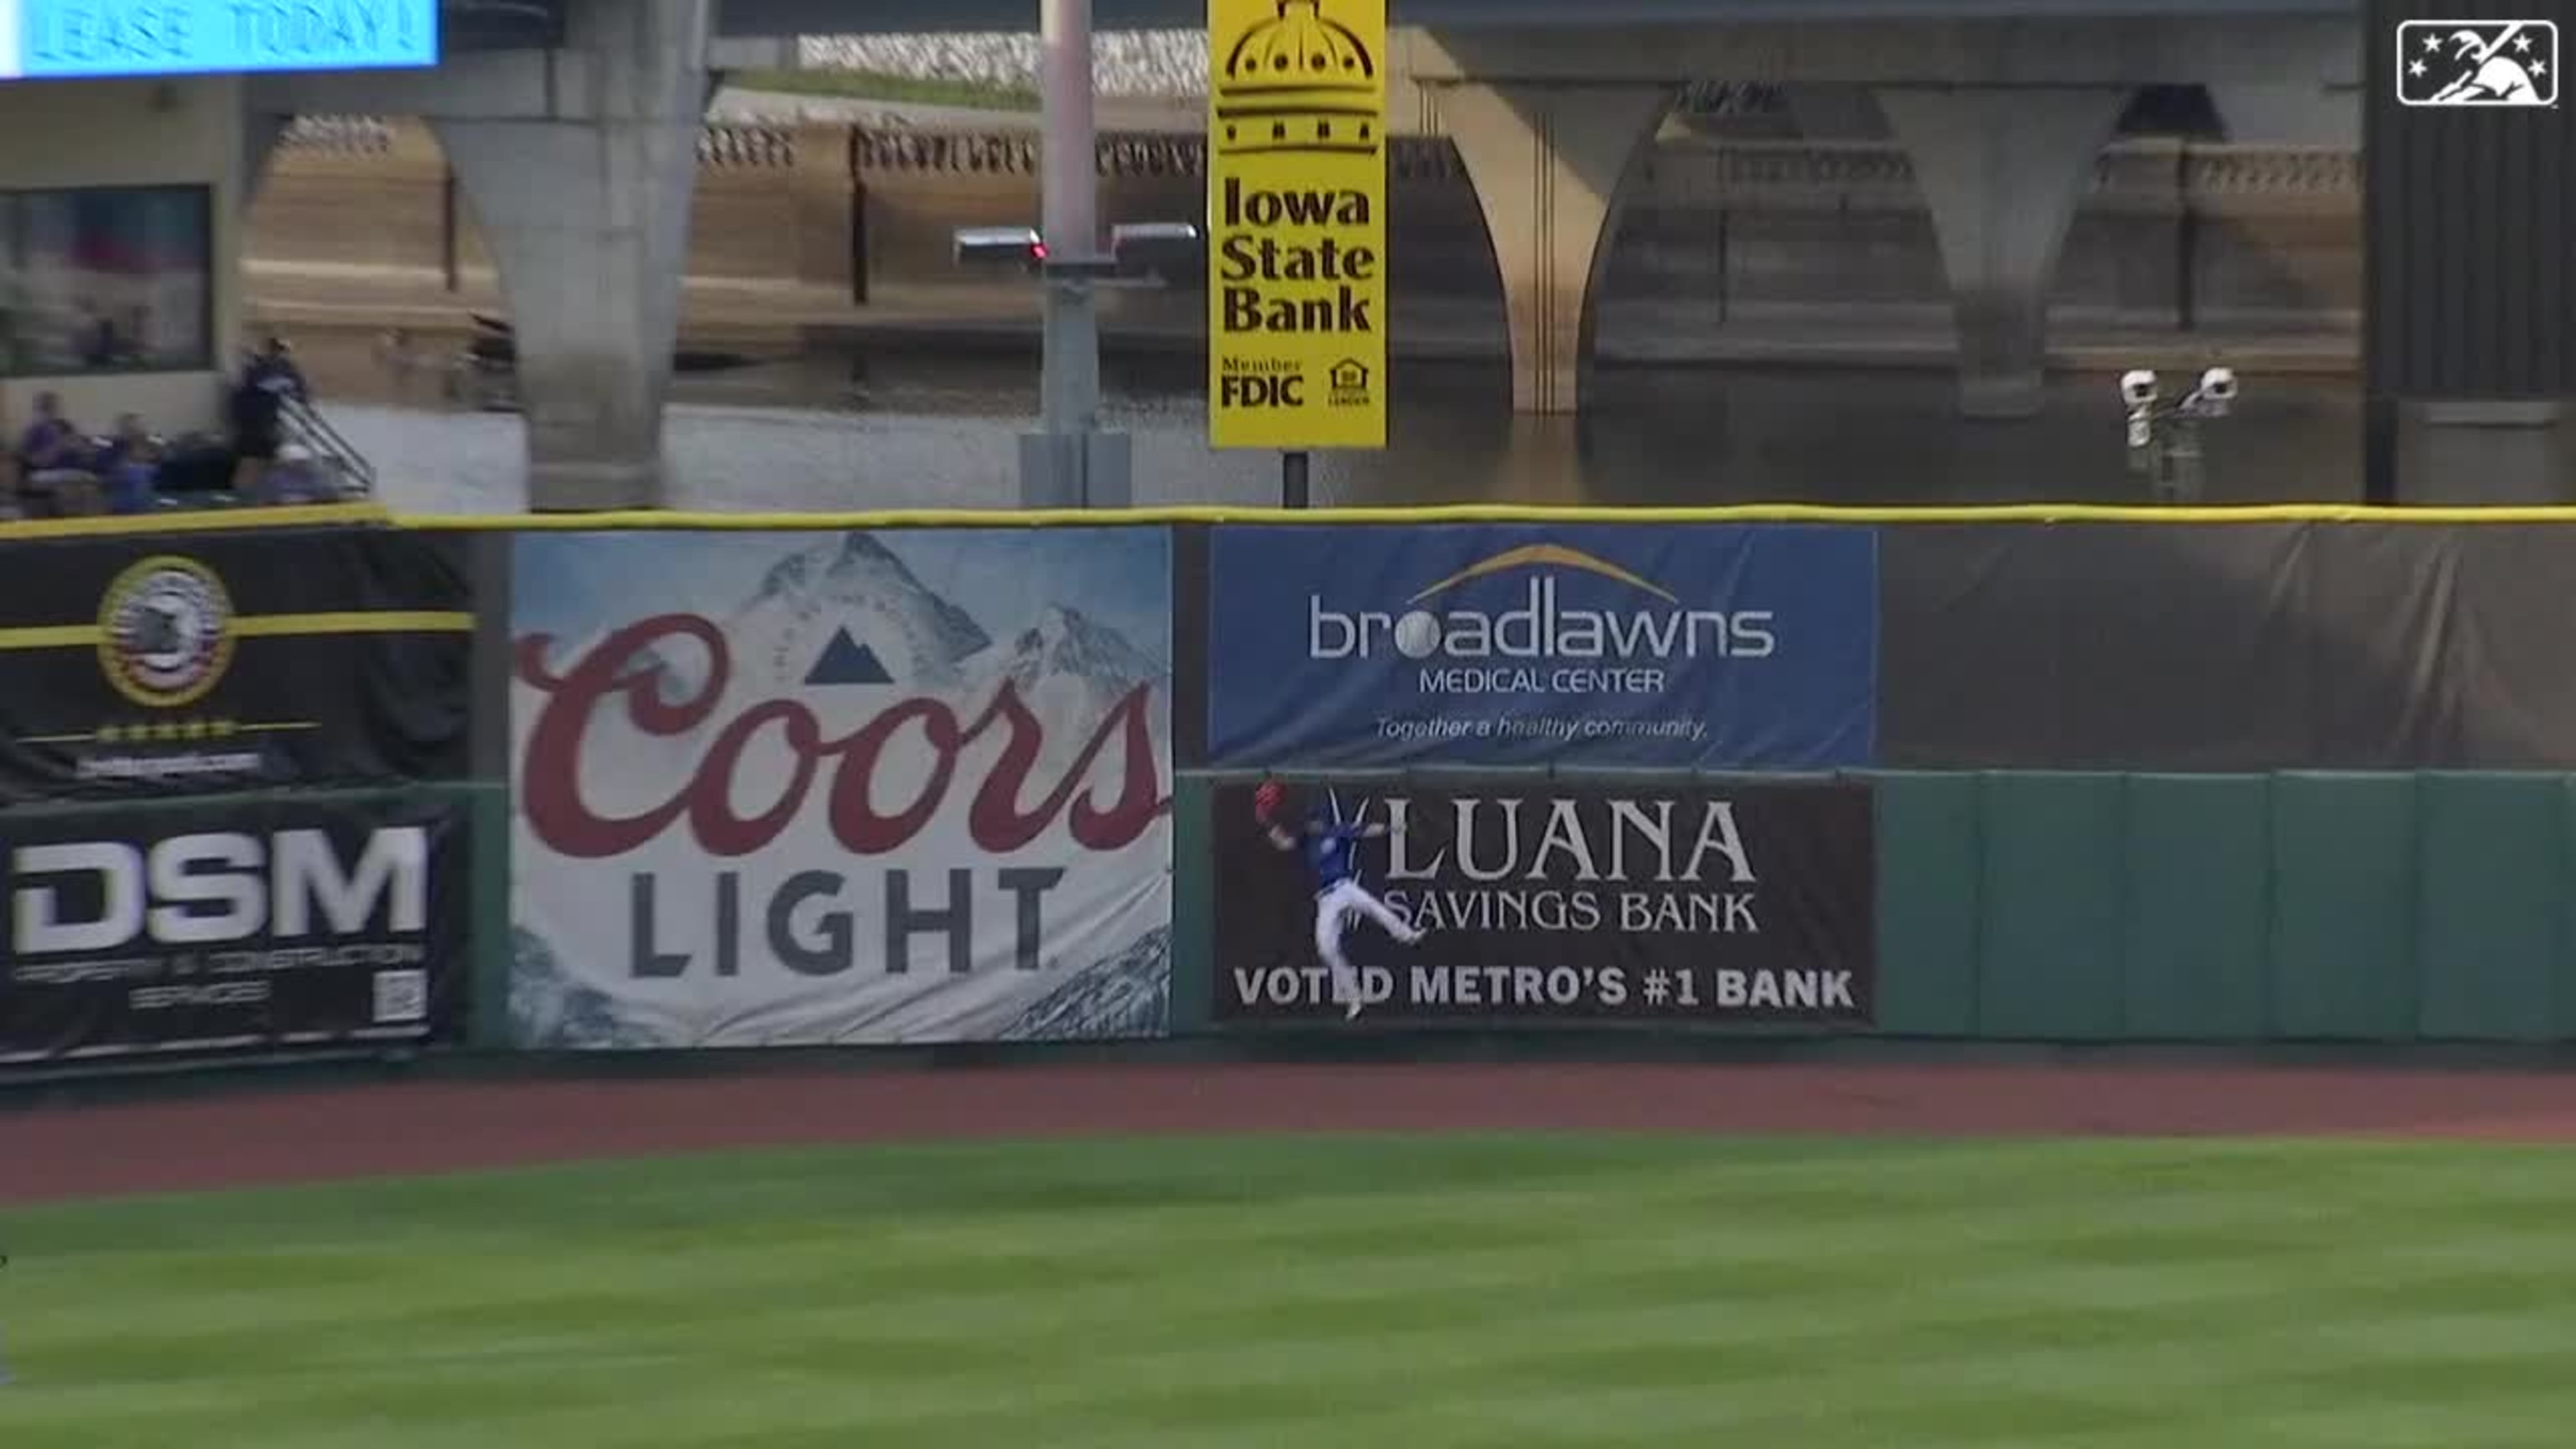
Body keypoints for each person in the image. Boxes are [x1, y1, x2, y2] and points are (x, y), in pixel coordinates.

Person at [1254, 782, 1426, 1019]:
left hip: (1344, 887)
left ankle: (1407, 934)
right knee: (1326, 949)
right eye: (1311, 819)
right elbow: (1284, 844)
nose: (1314, 823)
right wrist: (1268, 824)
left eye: (1317, 819)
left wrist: (1393, 827)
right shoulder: (1305, 838)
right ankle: (1354, 999)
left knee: (1374, 907)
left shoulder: (1334, 831)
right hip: (1325, 899)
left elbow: (1365, 830)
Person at [228, 335, 309, 495]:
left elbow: (302, 394)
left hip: (267, 427)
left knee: (265, 465)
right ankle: (242, 499)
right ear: (270, 350)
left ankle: (260, 497)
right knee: (249, 466)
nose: (279, 354)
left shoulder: (283, 368)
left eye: (282, 351)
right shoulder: (259, 370)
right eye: (277, 350)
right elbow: (244, 394)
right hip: (251, 428)